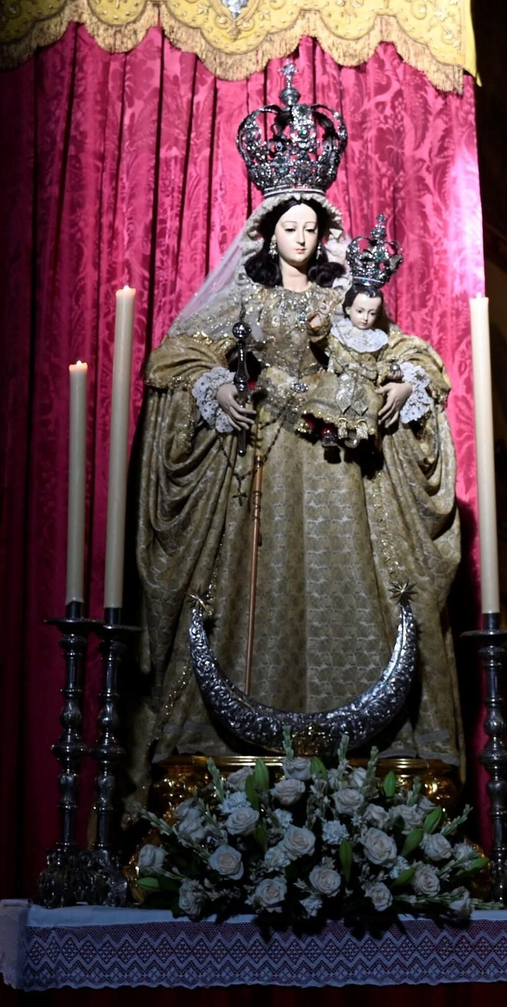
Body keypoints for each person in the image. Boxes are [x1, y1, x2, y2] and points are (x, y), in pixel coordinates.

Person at [129, 67, 462, 808]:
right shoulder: (245, 297)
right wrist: (216, 386)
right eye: (290, 227)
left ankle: (367, 751)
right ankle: (236, 750)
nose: (303, 239)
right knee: (264, 590)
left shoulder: (347, 295)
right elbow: (177, 358)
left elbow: (401, 351)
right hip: (268, 472)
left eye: (312, 227)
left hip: (343, 471)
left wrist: (405, 386)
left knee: (353, 592)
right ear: (269, 229)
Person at [300, 213, 429, 451]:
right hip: (339, 376)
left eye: (372, 313)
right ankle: (326, 430)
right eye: (360, 311)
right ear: (348, 309)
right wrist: (321, 317)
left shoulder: (379, 338)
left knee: (370, 400)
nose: (366, 318)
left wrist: (389, 371)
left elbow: (385, 360)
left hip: (364, 381)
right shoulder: (340, 330)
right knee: (328, 391)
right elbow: (322, 340)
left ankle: (360, 435)